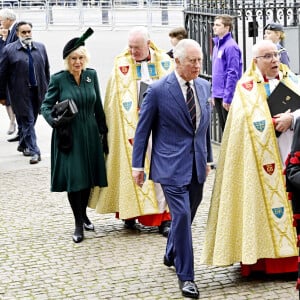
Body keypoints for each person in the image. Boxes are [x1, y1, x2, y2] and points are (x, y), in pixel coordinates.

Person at [201, 39, 300, 276]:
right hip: (258, 164)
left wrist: (293, 119)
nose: (274, 60)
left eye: (276, 54)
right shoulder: (245, 88)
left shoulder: (293, 80)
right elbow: (240, 128)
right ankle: (263, 261)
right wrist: (270, 123)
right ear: (255, 62)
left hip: (290, 153)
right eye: (267, 56)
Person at [132, 38, 212, 299]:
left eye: (199, 60)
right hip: (169, 166)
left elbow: (204, 128)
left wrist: (208, 159)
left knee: (185, 218)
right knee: (181, 217)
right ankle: (186, 277)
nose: (197, 65)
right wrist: (137, 166)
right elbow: (142, 131)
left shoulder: (203, 85)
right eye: (192, 61)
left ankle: (170, 252)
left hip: (197, 166)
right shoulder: (157, 91)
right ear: (177, 62)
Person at [88, 26, 173, 237]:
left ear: (149, 44)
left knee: (161, 170)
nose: (133, 51)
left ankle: (164, 217)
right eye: (131, 47)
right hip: (130, 128)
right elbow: (112, 100)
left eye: (137, 47)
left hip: (159, 127)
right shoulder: (121, 64)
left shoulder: (164, 62)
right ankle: (131, 212)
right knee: (131, 170)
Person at [41, 28, 108, 243]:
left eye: (80, 58)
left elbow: (97, 105)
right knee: (75, 180)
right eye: (73, 59)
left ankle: (84, 214)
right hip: (69, 135)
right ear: (67, 61)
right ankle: (78, 223)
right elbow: (45, 106)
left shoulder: (91, 75)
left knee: (88, 178)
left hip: (90, 133)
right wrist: (55, 122)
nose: (77, 62)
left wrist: (104, 131)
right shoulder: (59, 79)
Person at [0, 21, 50, 164]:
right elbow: (2, 75)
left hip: (38, 91)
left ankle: (23, 143)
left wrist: (49, 91)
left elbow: (46, 70)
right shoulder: (9, 50)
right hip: (20, 94)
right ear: (17, 33)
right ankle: (35, 151)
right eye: (23, 32)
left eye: (29, 32)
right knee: (28, 120)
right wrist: (2, 96)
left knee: (32, 120)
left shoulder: (40, 47)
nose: (27, 35)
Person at [211, 14, 243, 132]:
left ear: (227, 27)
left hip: (226, 95)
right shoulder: (217, 45)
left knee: (230, 131)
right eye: (214, 25)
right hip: (218, 94)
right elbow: (215, 72)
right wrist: (213, 93)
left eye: (218, 25)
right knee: (224, 130)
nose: (214, 27)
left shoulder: (231, 47)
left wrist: (228, 97)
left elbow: (232, 73)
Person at [0, 9, 18, 137]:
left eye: (1, 20)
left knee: (11, 98)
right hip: (4, 71)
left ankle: (13, 122)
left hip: (13, 72)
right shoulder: (5, 31)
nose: (0, 22)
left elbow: (9, 51)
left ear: (8, 20)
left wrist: (5, 38)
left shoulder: (16, 31)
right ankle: (12, 122)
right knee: (5, 99)